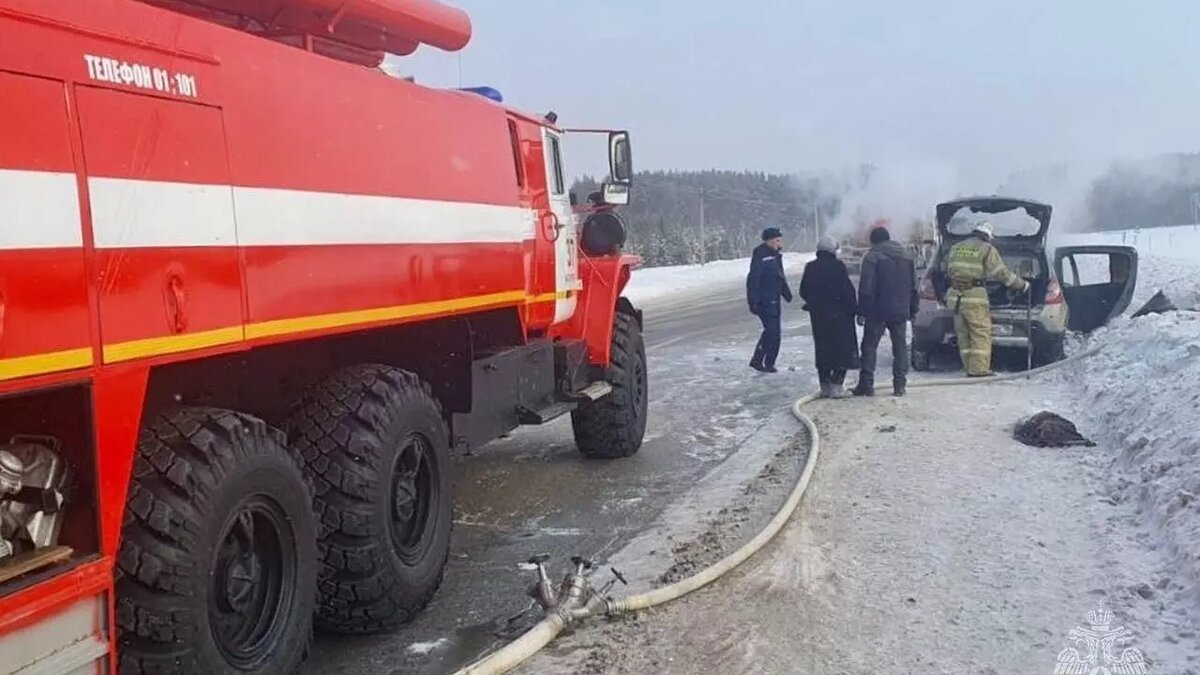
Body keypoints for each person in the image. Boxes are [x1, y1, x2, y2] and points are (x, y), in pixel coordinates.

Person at [942, 221, 1030, 377]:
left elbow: (945, 269)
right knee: (980, 333)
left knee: (963, 334)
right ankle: (979, 369)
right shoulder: (986, 248)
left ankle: (969, 367)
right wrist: (1021, 285)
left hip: (955, 297)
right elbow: (1001, 273)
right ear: (987, 236)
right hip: (974, 297)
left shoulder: (956, 248)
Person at [852, 226, 918, 397]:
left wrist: (862, 311)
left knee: (869, 347)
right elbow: (914, 286)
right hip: (900, 311)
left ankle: (866, 385)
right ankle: (900, 386)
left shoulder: (872, 257)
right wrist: (913, 309)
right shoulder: (907, 256)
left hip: (877, 311)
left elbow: (866, 288)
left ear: (873, 240)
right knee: (900, 347)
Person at [799, 235, 860, 397]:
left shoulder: (810, 267)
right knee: (842, 350)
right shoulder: (838, 266)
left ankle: (825, 386)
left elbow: (803, 290)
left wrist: (815, 303)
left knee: (823, 350)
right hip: (840, 317)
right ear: (833, 250)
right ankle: (837, 385)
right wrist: (855, 309)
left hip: (819, 318)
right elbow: (847, 291)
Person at [747, 227, 792, 373]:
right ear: (769, 240)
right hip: (764, 300)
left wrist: (786, 292)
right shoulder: (760, 254)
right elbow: (753, 279)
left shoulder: (776, 254)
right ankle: (758, 359)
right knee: (771, 331)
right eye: (777, 240)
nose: (779, 243)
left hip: (775, 298)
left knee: (775, 333)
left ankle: (769, 362)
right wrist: (752, 301)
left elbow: (780, 275)